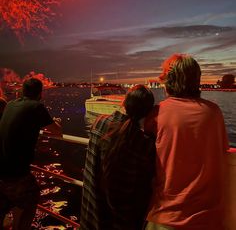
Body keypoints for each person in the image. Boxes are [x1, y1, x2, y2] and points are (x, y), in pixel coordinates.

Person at [145, 54, 229, 230]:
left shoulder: (156, 114)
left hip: (167, 217)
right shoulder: (214, 113)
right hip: (210, 219)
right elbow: (223, 151)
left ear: (171, 81)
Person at [80, 85, 156, 230]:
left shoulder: (99, 123)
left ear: (124, 104)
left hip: (89, 219)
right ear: (149, 112)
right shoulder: (144, 143)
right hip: (119, 223)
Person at [0, 78, 62, 230]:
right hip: (16, 174)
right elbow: (57, 131)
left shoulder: (11, 105)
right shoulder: (36, 106)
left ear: (22, 91)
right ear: (40, 93)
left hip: (1, 171)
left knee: (6, 203)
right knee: (31, 200)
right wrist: (54, 122)